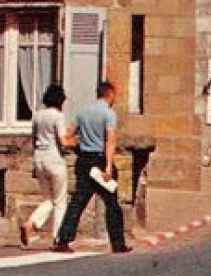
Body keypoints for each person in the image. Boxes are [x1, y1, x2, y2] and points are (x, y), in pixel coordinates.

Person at [53, 80, 131, 254]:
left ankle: (63, 239)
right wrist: (109, 166)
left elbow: (67, 137)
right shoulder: (109, 114)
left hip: (84, 161)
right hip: (100, 160)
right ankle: (118, 243)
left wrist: (79, 145)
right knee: (112, 204)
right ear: (109, 94)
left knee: (78, 202)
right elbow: (110, 141)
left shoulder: (82, 112)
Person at [20, 84, 76, 249]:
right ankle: (58, 238)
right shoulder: (57, 116)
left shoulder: (37, 115)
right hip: (54, 158)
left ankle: (31, 223)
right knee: (60, 201)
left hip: (39, 158)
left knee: (48, 199)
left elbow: (33, 138)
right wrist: (76, 141)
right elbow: (64, 141)